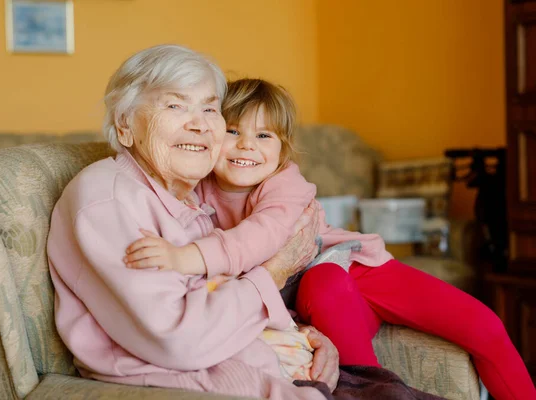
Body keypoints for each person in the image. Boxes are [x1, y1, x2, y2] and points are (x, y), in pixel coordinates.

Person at [124, 78, 536, 400]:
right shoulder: (195, 190)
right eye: (233, 131)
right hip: (316, 291)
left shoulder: (286, 185)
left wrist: (186, 257)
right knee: (329, 296)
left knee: (484, 326)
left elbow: (260, 238)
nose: (247, 145)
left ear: (283, 151)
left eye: (264, 136)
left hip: (356, 265)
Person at [48, 44, 339, 400]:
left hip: (259, 367)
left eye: (210, 108)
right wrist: (276, 271)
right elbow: (180, 339)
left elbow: (221, 292)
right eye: (175, 106)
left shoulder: (188, 197)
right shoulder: (109, 200)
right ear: (125, 125)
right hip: (190, 382)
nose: (199, 124)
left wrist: (299, 334)